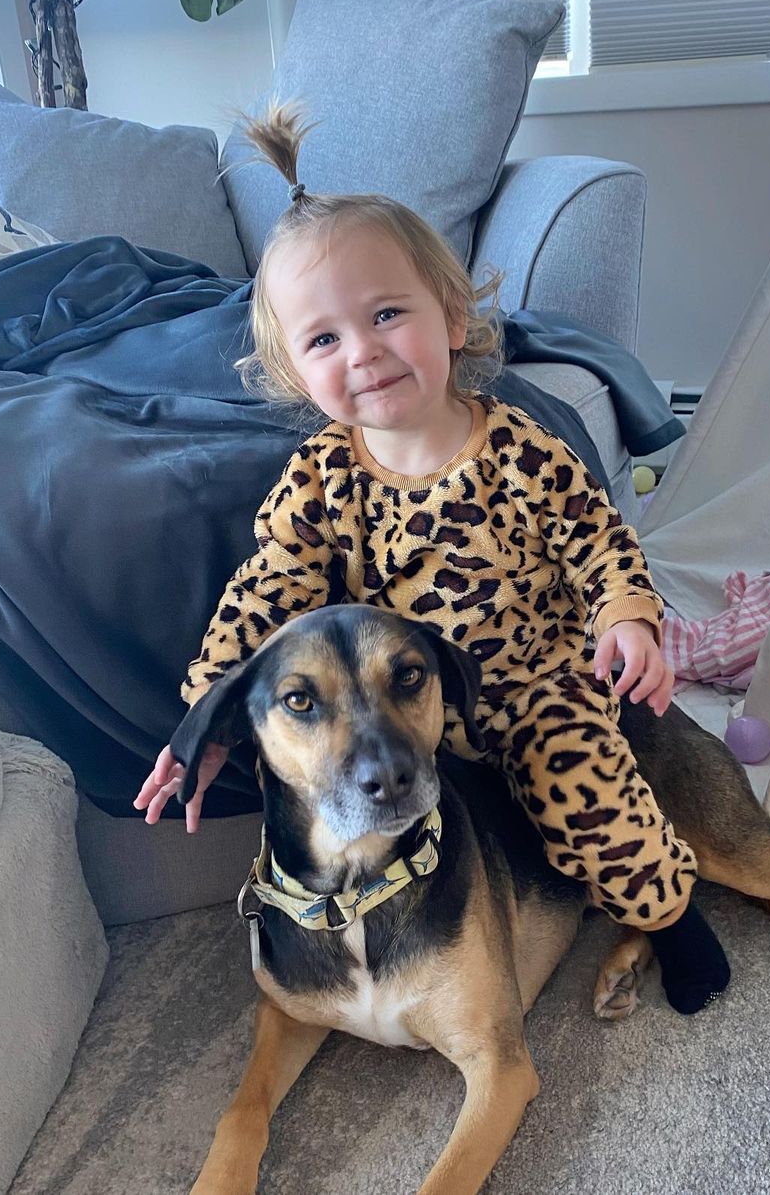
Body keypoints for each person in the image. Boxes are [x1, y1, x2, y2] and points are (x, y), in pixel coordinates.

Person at [135, 102, 730, 1013]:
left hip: (533, 688)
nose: (364, 352)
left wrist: (626, 616)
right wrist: (200, 719)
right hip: (403, 711)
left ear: (452, 317)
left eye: (386, 315)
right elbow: (266, 591)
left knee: (593, 800)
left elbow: (598, 537)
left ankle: (671, 912)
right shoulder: (322, 475)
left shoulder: (519, 448)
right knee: (374, 818)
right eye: (326, 338)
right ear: (298, 371)